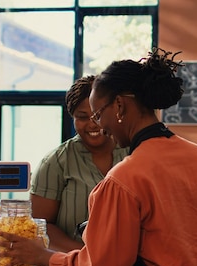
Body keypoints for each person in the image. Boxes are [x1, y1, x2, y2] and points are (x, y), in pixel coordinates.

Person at [0, 48, 197, 266]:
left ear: (120, 107)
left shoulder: (124, 178)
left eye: (99, 114)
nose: (100, 126)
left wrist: (43, 256)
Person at [30, 75, 128, 252]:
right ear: (72, 117)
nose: (93, 124)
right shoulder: (56, 163)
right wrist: (86, 258)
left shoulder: (134, 154)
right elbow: (40, 225)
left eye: (98, 115)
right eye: (82, 117)